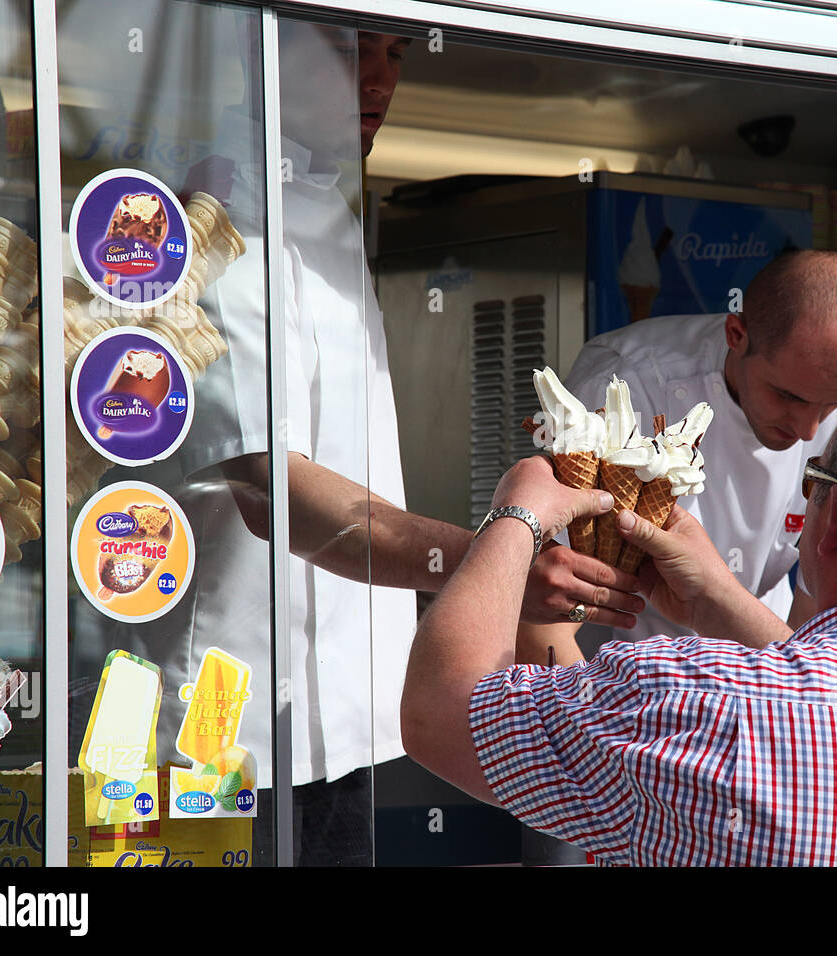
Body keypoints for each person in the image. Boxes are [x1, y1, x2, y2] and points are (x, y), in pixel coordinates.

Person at [125, 23, 640, 865]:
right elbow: (266, 487)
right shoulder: (205, 219)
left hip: (351, 717)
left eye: (397, 53)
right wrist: (492, 563)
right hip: (225, 730)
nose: (379, 79)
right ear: (261, 50)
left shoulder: (326, 210)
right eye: (349, 48)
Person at [401, 378, 837, 866]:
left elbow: (441, 711)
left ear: (832, 516)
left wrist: (517, 514)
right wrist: (723, 602)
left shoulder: (692, 700)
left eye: (815, 485)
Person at [522, 250, 837, 665]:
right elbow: (547, 609)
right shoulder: (627, 384)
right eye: (788, 396)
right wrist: (594, 720)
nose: (808, 430)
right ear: (737, 333)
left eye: (834, 404)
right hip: (612, 668)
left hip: (764, 655)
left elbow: (821, 607)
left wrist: (792, 691)